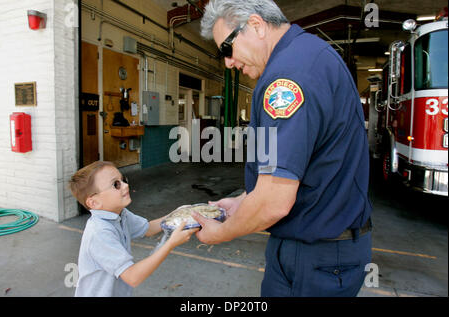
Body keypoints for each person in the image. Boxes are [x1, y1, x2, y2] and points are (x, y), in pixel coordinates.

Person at [193, 0, 373, 297]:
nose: (228, 62)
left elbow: (275, 202)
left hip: (315, 256)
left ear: (255, 25)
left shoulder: (288, 78)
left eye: (227, 48)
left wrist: (222, 232)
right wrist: (243, 202)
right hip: (319, 248)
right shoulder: (310, 56)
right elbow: (305, 168)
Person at [69, 161, 198, 297]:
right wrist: (170, 243)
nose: (125, 185)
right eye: (116, 184)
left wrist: (177, 214)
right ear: (94, 202)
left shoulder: (120, 214)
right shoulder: (99, 233)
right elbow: (133, 277)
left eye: (123, 180)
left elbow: (148, 228)